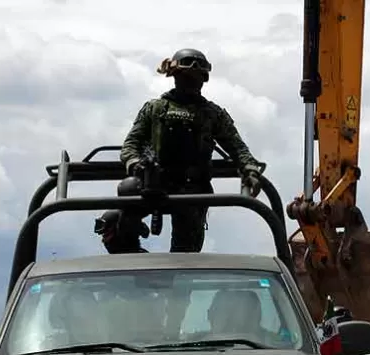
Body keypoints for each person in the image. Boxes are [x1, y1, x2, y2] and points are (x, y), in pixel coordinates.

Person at [106, 48, 267, 254]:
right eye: (186, 77)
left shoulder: (212, 114)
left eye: (196, 78)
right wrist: (136, 166)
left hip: (193, 189)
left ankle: (175, 278)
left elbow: (237, 148)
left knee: (185, 254)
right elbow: (131, 145)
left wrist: (250, 171)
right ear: (175, 77)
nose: (191, 83)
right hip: (154, 184)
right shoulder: (155, 109)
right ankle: (130, 257)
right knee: (121, 204)